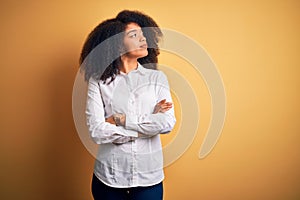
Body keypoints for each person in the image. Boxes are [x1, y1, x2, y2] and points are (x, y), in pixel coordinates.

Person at [79, 10, 176, 200]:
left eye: (143, 34)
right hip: (109, 177)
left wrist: (119, 120)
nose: (143, 39)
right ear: (116, 43)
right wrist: (145, 129)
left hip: (148, 177)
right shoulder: (97, 81)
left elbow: (167, 123)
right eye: (134, 35)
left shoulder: (157, 78)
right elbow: (97, 132)